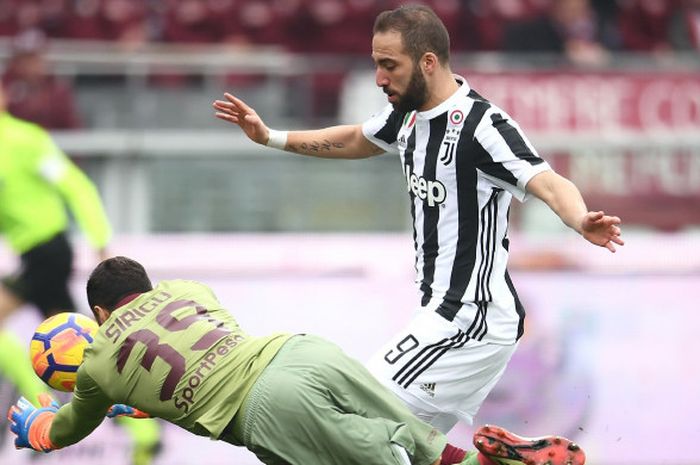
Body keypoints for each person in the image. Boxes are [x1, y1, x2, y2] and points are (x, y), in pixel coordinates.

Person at [212, 4, 623, 437]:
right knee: (403, 446)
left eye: (389, 65)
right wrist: (271, 136)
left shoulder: (484, 126)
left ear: (428, 62)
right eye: (376, 64)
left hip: (471, 318)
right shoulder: (408, 115)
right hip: (444, 313)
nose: (379, 78)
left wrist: (580, 220)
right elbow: (356, 137)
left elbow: (548, 180)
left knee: (355, 425)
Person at [7, 256, 585, 465]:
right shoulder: (190, 289)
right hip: (298, 352)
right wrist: (137, 405)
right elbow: (191, 362)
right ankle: (489, 459)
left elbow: (67, 428)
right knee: (423, 444)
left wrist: (37, 428)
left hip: (268, 409)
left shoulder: (96, 366)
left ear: (99, 315)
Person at [0, 84, 159, 465]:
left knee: (89, 345)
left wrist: (101, 240)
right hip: (34, 254)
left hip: (48, 251)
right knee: (90, 346)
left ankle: (44, 409)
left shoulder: (25, 140)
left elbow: (77, 186)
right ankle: (144, 432)